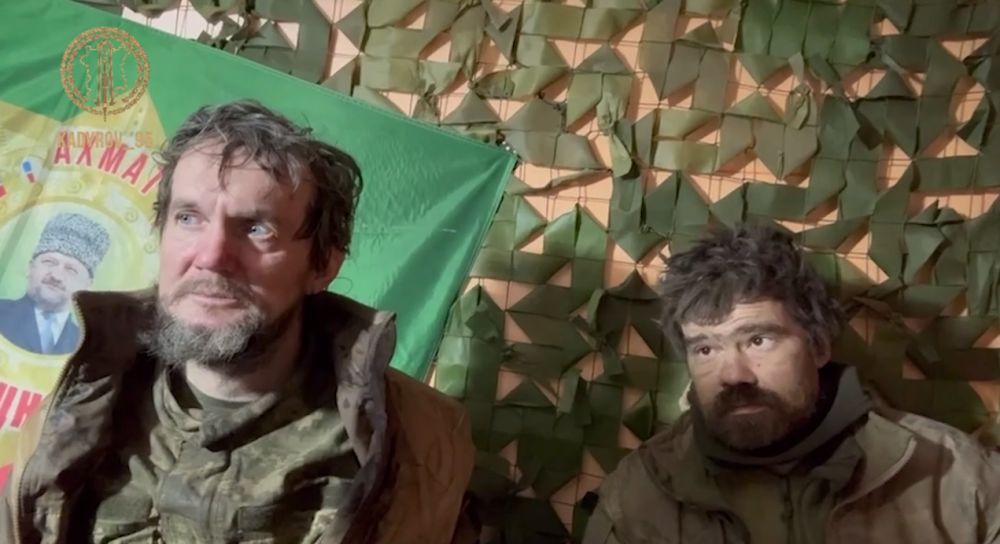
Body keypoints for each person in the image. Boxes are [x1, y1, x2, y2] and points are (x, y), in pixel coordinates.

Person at [0, 100, 474, 543]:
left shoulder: (417, 442)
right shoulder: (80, 402)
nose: (211, 256)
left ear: (323, 265)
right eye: (189, 218)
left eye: (256, 228)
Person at [583, 224, 1000, 544]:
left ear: (818, 346)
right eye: (706, 349)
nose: (734, 374)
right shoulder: (640, 493)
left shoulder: (953, 475)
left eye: (758, 340)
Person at [0, 212, 110, 355]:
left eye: (71, 270)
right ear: (30, 267)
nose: (56, 276)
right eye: (49, 262)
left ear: (87, 286)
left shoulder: (89, 347)